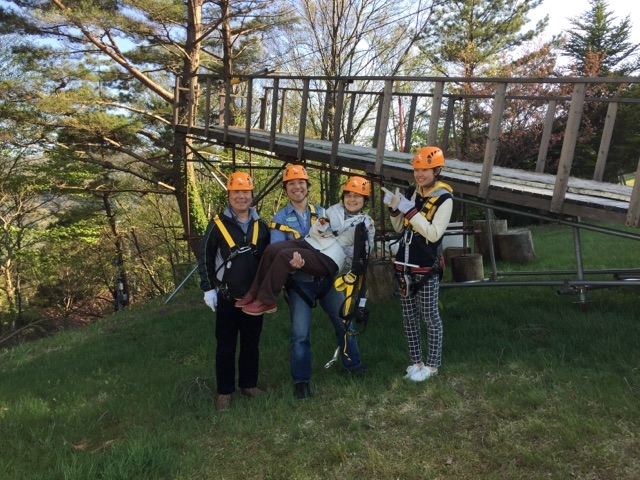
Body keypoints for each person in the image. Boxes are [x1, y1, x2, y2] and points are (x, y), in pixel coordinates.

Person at [270, 165, 367, 400]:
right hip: (299, 283)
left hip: (327, 279)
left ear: (307, 186)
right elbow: (274, 253)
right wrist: (289, 267)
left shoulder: (323, 211)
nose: (297, 187)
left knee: (344, 323)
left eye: (301, 182)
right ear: (286, 189)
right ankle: (301, 382)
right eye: (291, 183)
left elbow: (341, 239)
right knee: (300, 334)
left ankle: (353, 366)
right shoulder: (279, 219)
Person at [236, 175, 375, 320]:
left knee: (285, 256)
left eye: (357, 196)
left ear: (364, 201)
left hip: (329, 257)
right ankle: (253, 292)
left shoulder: (366, 224)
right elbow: (318, 228)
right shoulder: (335, 209)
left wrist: (348, 253)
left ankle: (267, 300)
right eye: (349, 195)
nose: (352, 199)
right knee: (272, 249)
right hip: (312, 242)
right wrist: (320, 227)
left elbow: (364, 253)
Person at [198, 171, 271, 411]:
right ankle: (224, 392)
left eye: (245, 192)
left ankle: (248, 385)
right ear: (229, 194)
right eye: (236, 192)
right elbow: (204, 257)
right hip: (227, 297)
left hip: (254, 298)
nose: (241, 196)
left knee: (252, 343)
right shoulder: (217, 224)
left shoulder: (261, 226)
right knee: (226, 346)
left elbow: (269, 261)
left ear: (252, 195)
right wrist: (208, 289)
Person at [382, 146, 453, 382]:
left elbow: (433, 234)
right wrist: (395, 209)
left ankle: (432, 366)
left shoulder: (444, 198)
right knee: (408, 316)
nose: (419, 174)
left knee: (430, 316)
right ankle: (416, 362)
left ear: (437, 170)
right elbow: (400, 229)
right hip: (404, 262)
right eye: (416, 169)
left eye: (425, 170)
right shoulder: (413, 193)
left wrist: (410, 211)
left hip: (426, 265)